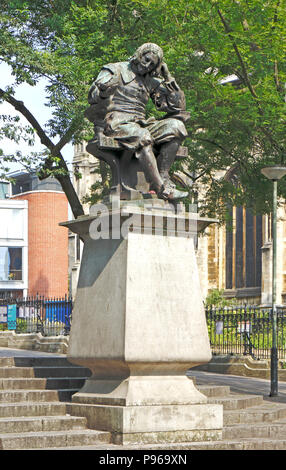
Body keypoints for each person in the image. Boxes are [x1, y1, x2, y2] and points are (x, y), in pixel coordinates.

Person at [86, 43, 189, 200]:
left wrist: (167, 76)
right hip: (116, 123)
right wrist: (103, 89)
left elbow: (177, 106)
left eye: (152, 64)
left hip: (140, 123)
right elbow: (93, 95)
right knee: (143, 136)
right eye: (146, 59)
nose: (147, 65)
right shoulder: (115, 69)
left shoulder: (150, 81)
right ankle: (162, 188)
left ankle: (162, 176)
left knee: (177, 126)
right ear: (139, 55)